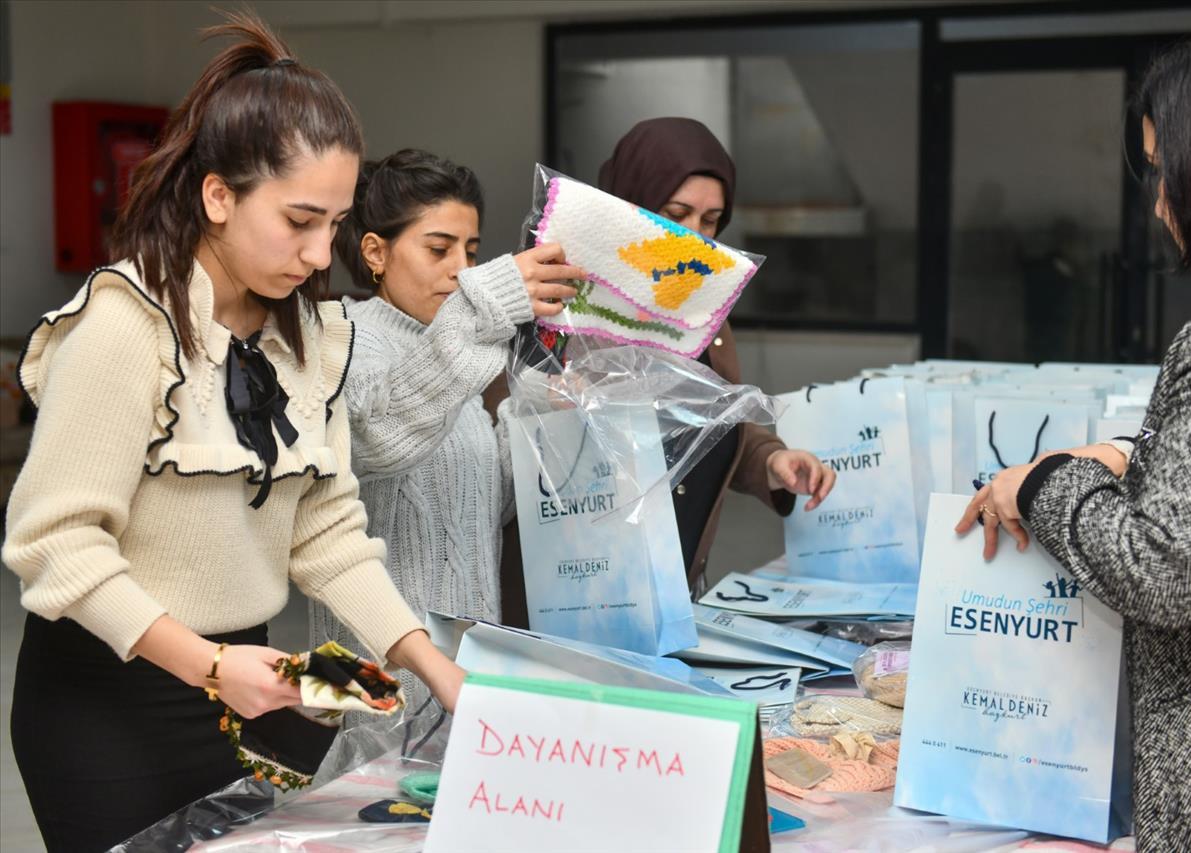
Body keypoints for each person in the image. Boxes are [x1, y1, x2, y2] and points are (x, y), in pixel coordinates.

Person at [2, 15, 462, 850]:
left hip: (254, 678)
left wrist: (432, 664)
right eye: (299, 220)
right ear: (218, 196)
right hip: (109, 700)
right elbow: (54, 542)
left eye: (334, 223)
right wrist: (209, 665)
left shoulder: (307, 337)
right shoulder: (126, 327)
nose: (320, 254)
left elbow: (327, 527)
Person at [957, 31, 1191, 850]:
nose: (1160, 201)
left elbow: (1175, 570)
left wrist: (1042, 485)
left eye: (1166, 169)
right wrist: (1132, 457)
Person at [495, 118, 837, 622]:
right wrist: (554, 400)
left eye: (711, 220)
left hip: (670, 597)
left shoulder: (701, 315)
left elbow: (706, 422)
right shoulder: (552, 297)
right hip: (569, 603)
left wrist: (769, 461)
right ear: (629, 202)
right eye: (676, 215)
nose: (694, 236)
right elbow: (496, 437)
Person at [311, 150, 582, 711]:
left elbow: (484, 509)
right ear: (375, 252)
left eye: (472, 252)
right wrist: (484, 309)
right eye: (439, 249)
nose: (462, 270)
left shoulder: (456, 349)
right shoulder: (340, 337)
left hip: (463, 671)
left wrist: (538, 410)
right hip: (368, 679)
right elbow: (378, 441)